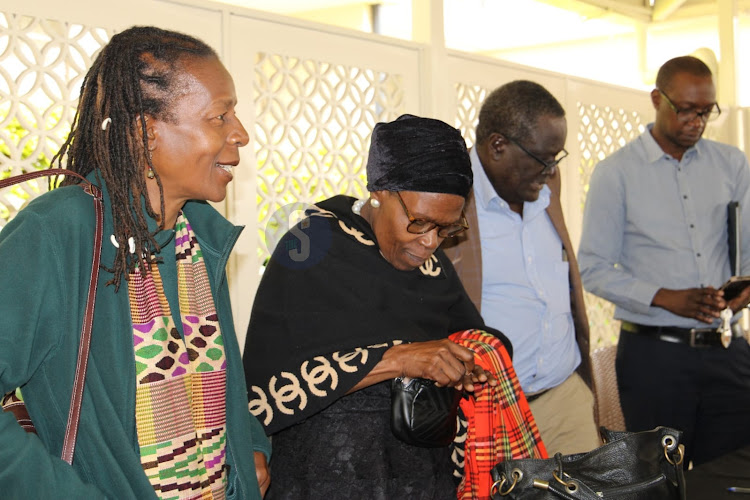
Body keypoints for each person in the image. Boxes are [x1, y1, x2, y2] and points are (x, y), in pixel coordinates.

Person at [0, 26, 271, 498]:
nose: (241, 133)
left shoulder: (199, 237)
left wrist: (250, 446)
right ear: (147, 132)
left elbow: (209, 372)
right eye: (219, 116)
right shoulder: (58, 231)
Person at [243, 114, 546, 499]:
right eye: (419, 222)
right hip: (325, 474)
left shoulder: (433, 270)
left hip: (422, 478)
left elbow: (476, 337)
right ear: (380, 191)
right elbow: (271, 384)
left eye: (447, 228)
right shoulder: (312, 247)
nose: (430, 242)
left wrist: (465, 363)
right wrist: (400, 359)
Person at [579, 55, 750, 466]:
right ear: (657, 99)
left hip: (728, 352)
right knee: (656, 480)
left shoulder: (732, 164)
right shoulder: (615, 173)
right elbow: (592, 266)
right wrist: (662, 296)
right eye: (686, 109)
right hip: (654, 358)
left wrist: (744, 290)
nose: (697, 121)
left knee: (732, 478)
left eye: (706, 111)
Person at [443, 81, 599, 456]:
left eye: (556, 159)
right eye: (544, 159)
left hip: (564, 398)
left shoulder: (545, 184)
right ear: (498, 146)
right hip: (491, 411)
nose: (552, 171)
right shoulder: (450, 198)